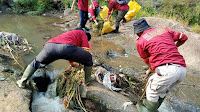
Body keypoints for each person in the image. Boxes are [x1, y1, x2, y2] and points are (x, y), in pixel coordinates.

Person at [133, 18, 188, 112]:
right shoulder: (164, 30)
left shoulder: (140, 41)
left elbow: (147, 60)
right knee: (162, 91)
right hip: (182, 70)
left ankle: (147, 110)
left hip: (167, 70)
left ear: (138, 32)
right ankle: (153, 109)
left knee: (152, 92)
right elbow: (184, 37)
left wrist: (152, 70)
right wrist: (174, 47)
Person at [17, 28, 94, 88]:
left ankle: (22, 82)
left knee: (35, 62)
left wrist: (72, 64)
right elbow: (85, 49)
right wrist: (84, 60)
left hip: (50, 46)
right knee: (88, 57)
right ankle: (87, 79)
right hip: (66, 48)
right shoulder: (82, 33)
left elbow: (70, 54)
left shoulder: (69, 35)